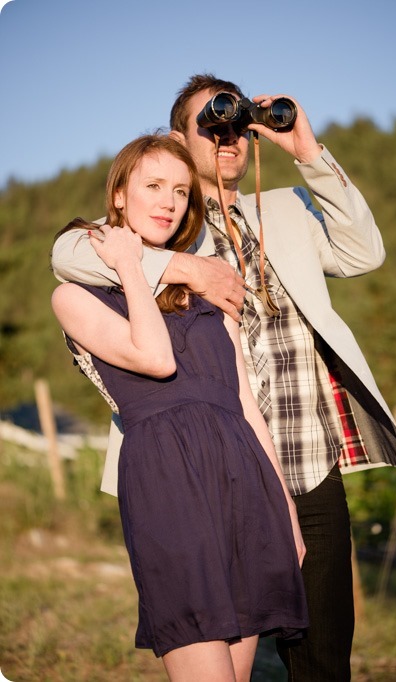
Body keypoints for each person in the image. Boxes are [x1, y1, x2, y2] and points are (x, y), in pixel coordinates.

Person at [51, 75, 396, 682]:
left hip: (303, 458)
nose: (227, 138)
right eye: (210, 125)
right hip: (201, 467)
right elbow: (70, 255)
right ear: (175, 139)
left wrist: (307, 153)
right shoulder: (167, 223)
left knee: (324, 656)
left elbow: (363, 252)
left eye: (238, 126)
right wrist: (186, 264)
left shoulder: (288, 210)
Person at [51, 134, 309, 682]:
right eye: (152, 187)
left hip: (243, 476)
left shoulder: (207, 288)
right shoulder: (73, 295)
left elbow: (245, 403)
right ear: (119, 196)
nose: (169, 202)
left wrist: (284, 509)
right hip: (167, 478)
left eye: (182, 192)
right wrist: (129, 265)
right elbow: (156, 359)